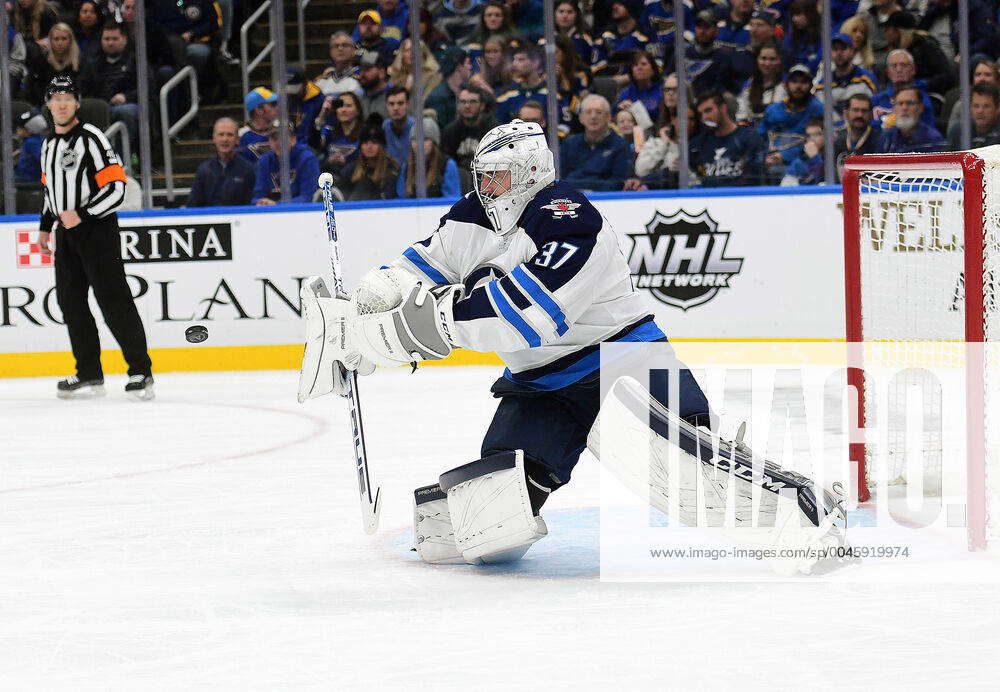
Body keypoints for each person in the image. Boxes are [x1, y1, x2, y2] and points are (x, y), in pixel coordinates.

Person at [297, 118, 852, 570]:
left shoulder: (569, 218)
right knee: (484, 518)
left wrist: (401, 335)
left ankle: (809, 509)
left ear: (527, 174)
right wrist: (370, 300)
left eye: (494, 178)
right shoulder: (473, 215)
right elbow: (426, 264)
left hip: (625, 361)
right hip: (544, 384)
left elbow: (527, 318)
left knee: (690, 471)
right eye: (480, 177)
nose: (482, 190)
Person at [37, 75, 153, 400]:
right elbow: (51, 191)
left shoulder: (92, 138)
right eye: (55, 97)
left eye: (67, 97)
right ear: (48, 104)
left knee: (113, 301)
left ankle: (140, 371)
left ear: (77, 103)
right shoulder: (48, 144)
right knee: (70, 302)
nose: (61, 103)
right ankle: (88, 373)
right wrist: (46, 226)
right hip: (66, 235)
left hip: (97, 232)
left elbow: (117, 188)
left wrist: (84, 214)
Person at [79, 23, 138, 152]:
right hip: (100, 106)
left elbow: (146, 90)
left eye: (114, 39)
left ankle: (121, 161)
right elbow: (83, 89)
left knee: (125, 111)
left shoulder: (135, 61)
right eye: (106, 39)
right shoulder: (92, 62)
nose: (110, 43)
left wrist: (126, 96)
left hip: (128, 104)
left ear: (124, 39)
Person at [758, 63, 823, 177]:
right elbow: (759, 138)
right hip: (769, 164)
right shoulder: (773, 110)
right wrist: (765, 156)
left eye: (803, 82)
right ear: (786, 85)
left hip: (803, 165)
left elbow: (817, 144)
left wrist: (783, 156)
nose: (798, 86)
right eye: (794, 81)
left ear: (811, 85)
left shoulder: (817, 109)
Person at [559, 94, 633, 191]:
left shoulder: (621, 146)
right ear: (581, 118)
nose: (593, 116)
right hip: (570, 201)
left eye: (598, 112)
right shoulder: (568, 144)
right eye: (588, 112)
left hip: (606, 201)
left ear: (608, 117)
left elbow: (618, 182)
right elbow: (560, 179)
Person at [689, 90, 763, 187]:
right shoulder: (698, 145)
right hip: (709, 199)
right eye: (701, 114)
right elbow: (701, 174)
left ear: (723, 108)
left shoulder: (749, 138)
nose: (704, 117)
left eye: (708, 110)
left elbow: (753, 177)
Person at [882, 11, 955, 98]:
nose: (885, 33)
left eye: (887, 29)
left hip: (929, 94)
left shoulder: (926, 46)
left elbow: (947, 76)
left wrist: (924, 83)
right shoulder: (893, 51)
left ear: (897, 31)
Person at [187, 117, 256, 207]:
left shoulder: (248, 170)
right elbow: (192, 206)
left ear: (237, 139)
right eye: (221, 134)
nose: (225, 139)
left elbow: (251, 206)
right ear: (214, 138)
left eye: (230, 135)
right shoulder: (204, 170)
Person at [441, 85, 497, 192]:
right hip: (458, 185)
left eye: (472, 102)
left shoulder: (493, 131)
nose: (467, 106)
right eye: (463, 102)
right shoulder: (449, 131)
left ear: (482, 106)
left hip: (488, 183)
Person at [252, 121, 321, 205]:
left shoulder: (307, 159)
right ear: (269, 141)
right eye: (274, 138)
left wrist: (277, 205)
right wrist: (261, 202)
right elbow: (257, 195)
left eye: (283, 137)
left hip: (300, 212)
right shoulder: (264, 161)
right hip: (270, 211)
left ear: (293, 140)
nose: (278, 142)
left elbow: (308, 197)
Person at [396, 116, 462, 198]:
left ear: (434, 143)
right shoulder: (406, 167)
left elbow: (452, 200)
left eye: (425, 139)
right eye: (415, 139)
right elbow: (400, 201)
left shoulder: (447, 165)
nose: (419, 144)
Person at [813, 33, 877, 115]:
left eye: (843, 48)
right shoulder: (822, 85)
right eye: (835, 49)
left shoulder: (867, 79)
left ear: (852, 51)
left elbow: (875, 109)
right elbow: (819, 113)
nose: (839, 53)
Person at [871, 49, 936, 130]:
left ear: (913, 70)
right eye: (894, 66)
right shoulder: (876, 100)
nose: (899, 70)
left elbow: (928, 132)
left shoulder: (922, 100)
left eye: (904, 65)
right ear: (887, 72)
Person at [685, 9, 741, 97]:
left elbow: (727, 88)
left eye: (706, 27)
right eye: (699, 27)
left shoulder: (723, 58)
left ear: (716, 31)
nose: (702, 31)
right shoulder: (685, 53)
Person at [336, 123, 400, 201]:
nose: (369, 146)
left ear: (382, 146)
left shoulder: (392, 169)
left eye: (374, 142)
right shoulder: (350, 170)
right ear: (360, 146)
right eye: (365, 142)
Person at [877, 84, 946, 153]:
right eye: (900, 103)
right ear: (894, 109)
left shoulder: (932, 139)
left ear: (920, 108)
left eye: (910, 103)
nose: (904, 108)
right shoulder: (887, 137)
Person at [494, 43, 549, 123]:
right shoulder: (506, 95)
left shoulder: (551, 93)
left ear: (535, 63)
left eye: (521, 60)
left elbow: (562, 125)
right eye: (514, 60)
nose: (514, 64)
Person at [735, 42, 786, 125]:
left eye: (772, 59)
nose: (767, 63)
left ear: (779, 60)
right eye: (763, 58)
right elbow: (741, 116)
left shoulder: (787, 85)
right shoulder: (748, 85)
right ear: (757, 60)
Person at [28, 22, 81, 104]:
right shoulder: (41, 61)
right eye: (56, 39)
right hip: (46, 105)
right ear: (50, 41)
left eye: (64, 39)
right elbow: (35, 88)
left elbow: (82, 88)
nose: (60, 43)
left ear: (70, 40)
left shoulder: (79, 61)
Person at [592, 0, 649, 76]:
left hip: (637, 81)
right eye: (614, 3)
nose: (614, 7)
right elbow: (596, 65)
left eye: (620, 4)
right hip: (607, 81)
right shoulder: (604, 35)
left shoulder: (645, 35)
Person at [317, 92, 364, 179]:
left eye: (348, 106)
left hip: (353, 179)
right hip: (328, 177)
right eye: (340, 106)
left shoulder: (364, 133)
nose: (343, 110)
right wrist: (323, 114)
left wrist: (346, 160)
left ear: (358, 110)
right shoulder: (330, 131)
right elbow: (315, 145)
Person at [834, 93, 880, 178]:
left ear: (870, 114)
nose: (860, 115)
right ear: (846, 113)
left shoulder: (880, 139)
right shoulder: (837, 139)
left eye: (864, 111)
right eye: (855, 110)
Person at [425, 47, 473, 127]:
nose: (470, 67)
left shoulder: (469, 91)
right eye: (468, 63)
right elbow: (441, 131)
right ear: (458, 67)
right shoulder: (437, 97)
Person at [947, 83, 1000, 150]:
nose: (980, 111)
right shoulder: (958, 131)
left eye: (986, 106)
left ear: (997, 108)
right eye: (976, 106)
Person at [616, 49, 662, 121]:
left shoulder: (662, 91)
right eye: (635, 65)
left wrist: (634, 111)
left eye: (643, 64)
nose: (639, 68)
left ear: (653, 70)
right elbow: (613, 114)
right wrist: (619, 108)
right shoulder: (626, 93)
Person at [238, 87, 279, 164]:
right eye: (273, 104)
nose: (277, 107)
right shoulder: (242, 135)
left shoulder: (282, 129)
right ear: (259, 110)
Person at [781, 118, 824, 186]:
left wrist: (815, 158)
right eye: (809, 135)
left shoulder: (833, 155)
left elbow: (827, 179)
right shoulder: (799, 161)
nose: (812, 139)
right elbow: (786, 186)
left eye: (816, 134)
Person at [316, 32, 361, 97]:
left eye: (345, 45)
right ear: (330, 52)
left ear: (353, 50)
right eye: (336, 46)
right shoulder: (321, 81)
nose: (340, 48)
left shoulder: (363, 77)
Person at [13, 109, 47, 184]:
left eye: (20, 128)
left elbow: (41, 158)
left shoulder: (30, 143)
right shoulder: (38, 139)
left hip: (28, 179)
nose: (17, 130)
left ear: (29, 129)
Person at [357, 51, 391, 120]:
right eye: (361, 69)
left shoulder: (394, 97)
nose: (362, 74)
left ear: (382, 73)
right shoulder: (357, 98)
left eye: (367, 69)